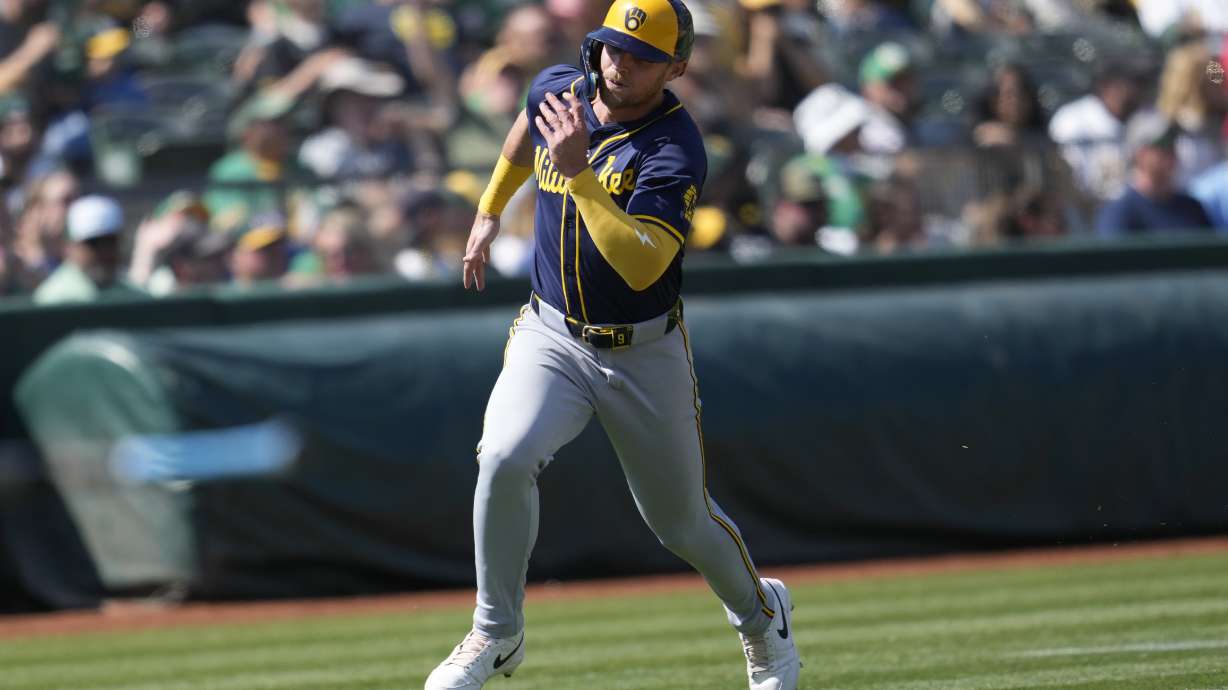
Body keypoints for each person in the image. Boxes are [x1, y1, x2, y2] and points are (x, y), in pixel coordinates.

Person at [425, 2, 801, 689]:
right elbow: (519, 135)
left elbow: (641, 265)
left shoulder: (675, 146)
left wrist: (582, 175)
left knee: (680, 524)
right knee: (505, 456)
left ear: (676, 68)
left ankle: (759, 615)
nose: (619, 64)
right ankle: (495, 632)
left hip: (642, 351)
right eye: (612, 47)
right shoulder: (558, 88)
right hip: (551, 332)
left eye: (641, 55)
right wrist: (488, 210)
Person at [1095, 112, 1213, 236]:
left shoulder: (1192, 208)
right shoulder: (1120, 212)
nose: (1170, 151)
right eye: (1162, 144)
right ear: (1140, 153)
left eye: (1173, 144)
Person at [32, 195, 144, 304]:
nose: (104, 251)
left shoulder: (131, 294)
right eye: (93, 244)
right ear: (70, 246)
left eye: (110, 242)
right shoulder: (54, 298)